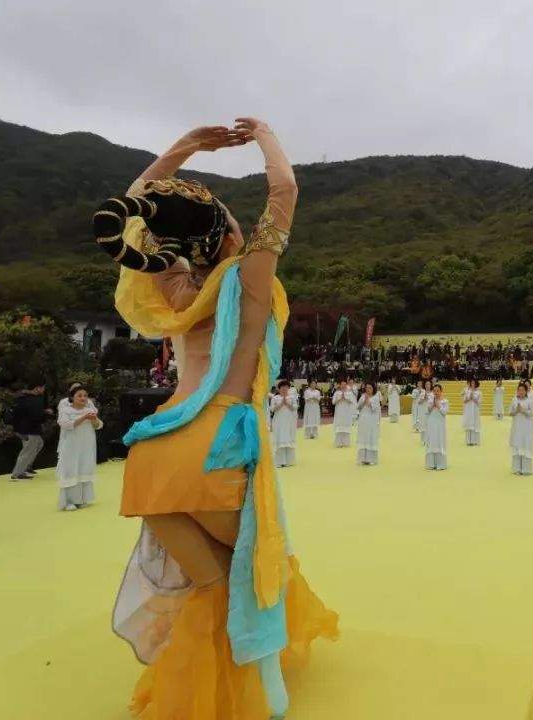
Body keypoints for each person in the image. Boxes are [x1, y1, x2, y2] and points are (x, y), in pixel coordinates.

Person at [100, 120, 335, 716]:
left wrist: (185, 147)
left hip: (154, 450)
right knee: (256, 561)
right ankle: (262, 680)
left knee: (209, 579)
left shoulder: (172, 287)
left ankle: (209, 683)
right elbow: (284, 189)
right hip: (218, 437)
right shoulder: (252, 277)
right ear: (229, 233)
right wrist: (266, 135)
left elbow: (135, 214)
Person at [55, 385, 102, 511]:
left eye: (85, 396)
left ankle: (81, 499)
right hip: (71, 446)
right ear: (72, 397)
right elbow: (65, 425)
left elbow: (98, 425)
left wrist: (93, 420)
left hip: (86, 446)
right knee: (71, 470)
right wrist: (84, 418)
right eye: (79, 395)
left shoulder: (90, 409)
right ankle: (69, 501)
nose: (83, 398)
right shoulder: (66, 410)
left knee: (83, 469)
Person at [10, 382, 48, 480]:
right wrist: (45, 414)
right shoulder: (35, 400)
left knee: (39, 443)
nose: (44, 390)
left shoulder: (21, 398)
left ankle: (26, 467)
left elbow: (16, 415)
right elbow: (36, 416)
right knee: (28, 450)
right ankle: (18, 473)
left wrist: (16, 429)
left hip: (23, 428)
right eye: (43, 387)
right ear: (37, 388)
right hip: (31, 429)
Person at [270, 380, 298, 467]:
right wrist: (282, 403)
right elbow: (272, 409)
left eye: (286, 388)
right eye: (283, 388)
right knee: (280, 438)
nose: (285, 389)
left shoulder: (292, 398)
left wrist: (287, 404)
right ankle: (280, 461)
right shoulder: (275, 398)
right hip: (279, 421)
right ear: (279, 389)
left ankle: (289, 461)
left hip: (289, 420)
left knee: (288, 438)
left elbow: (295, 407)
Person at [509, 382, 533, 475]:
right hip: (516, 427)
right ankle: (516, 468)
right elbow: (510, 413)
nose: (520, 392)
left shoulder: (530, 401)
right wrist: (516, 410)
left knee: (525, 445)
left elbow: (532, 414)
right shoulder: (514, 400)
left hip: (526, 427)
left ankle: (526, 469)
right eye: (519, 390)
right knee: (517, 445)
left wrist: (523, 410)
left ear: (526, 391)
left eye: (522, 390)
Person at [424, 383, 449, 470]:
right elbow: (427, 412)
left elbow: (445, 412)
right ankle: (431, 464)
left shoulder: (445, 401)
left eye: (438, 391)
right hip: (431, 423)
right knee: (431, 441)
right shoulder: (430, 401)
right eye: (434, 391)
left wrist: (438, 405)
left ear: (441, 391)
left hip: (440, 425)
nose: (436, 393)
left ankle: (440, 464)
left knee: (439, 441)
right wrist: (432, 405)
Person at [356, 381, 381, 465]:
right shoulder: (363, 396)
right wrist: (363, 400)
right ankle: (363, 458)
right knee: (363, 437)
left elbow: (373, 408)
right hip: (363, 420)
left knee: (370, 437)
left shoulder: (376, 398)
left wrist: (367, 400)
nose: (368, 389)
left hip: (372, 421)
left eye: (370, 388)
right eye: (367, 387)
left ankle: (371, 459)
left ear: (373, 389)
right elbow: (358, 406)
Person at [331, 379, 355, 448]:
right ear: (340, 385)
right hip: (339, 412)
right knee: (339, 426)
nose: (343, 386)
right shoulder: (337, 393)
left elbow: (352, 401)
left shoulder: (350, 393)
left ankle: (346, 443)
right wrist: (339, 398)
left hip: (347, 412)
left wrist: (346, 398)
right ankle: (338, 443)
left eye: (345, 384)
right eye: (342, 384)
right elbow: (333, 402)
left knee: (346, 427)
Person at [462, 378, 482, 445]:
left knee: (475, 424)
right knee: (469, 424)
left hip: (475, 410)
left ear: (476, 384)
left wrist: (473, 398)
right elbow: (464, 401)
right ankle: (468, 441)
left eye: (474, 383)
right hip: (468, 410)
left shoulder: (479, 392)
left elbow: (479, 403)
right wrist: (469, 397)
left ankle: (475, 441)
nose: (472, 384)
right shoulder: (467, 391)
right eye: (471, 383)